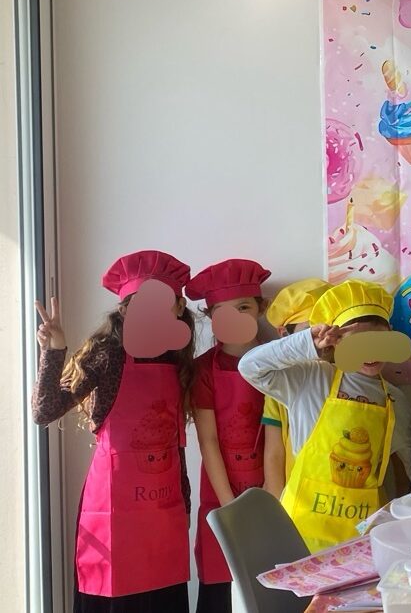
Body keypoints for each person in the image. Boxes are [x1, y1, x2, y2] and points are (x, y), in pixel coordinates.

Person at [32, 250, 194, 613]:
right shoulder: (108, 355)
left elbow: (177, 443)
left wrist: (185, 502)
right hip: (113, 513)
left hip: (163, 510)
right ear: (124, 311)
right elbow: (44, 411)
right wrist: (54, 350)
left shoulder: (177, 361)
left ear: (179, 306)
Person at [238, 280, 411, 552]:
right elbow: (250, 367)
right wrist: (307, 342)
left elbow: (407, 463)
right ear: (337, 342)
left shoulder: (395, 398)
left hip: (360, 535)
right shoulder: (311, 379)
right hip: (301, 532)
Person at [186, 258, 272, 613]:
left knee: (266, 577)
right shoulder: (204, 369)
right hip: (221, 489)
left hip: (271, 485)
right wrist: (229, 506)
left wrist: (272, 492)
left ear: (261, 308)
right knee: (222, 580)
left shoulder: (275, 359)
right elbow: (208, 441)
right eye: (222, 312)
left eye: (243, 308)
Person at [261, 278, 331, 497]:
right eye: (311, 332)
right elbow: (274, 453)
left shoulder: (351, 373)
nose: (323, 340)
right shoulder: (281, 384)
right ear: (285, 335)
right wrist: (278, 508)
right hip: (298, 494)